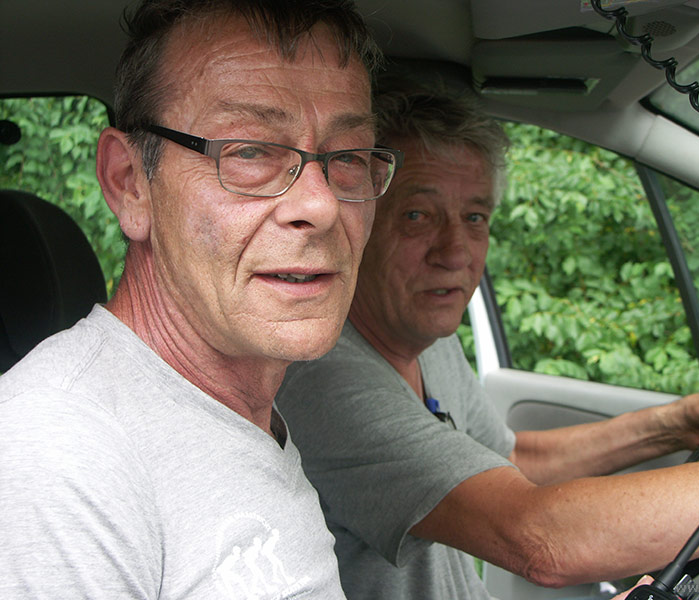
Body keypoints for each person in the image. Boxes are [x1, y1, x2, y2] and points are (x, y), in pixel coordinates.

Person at [275, 79, 699, 600]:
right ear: (358, 223)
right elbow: (538, 538)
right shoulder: (322, 376)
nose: (455, 252)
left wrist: (670, 427)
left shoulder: (429, 339)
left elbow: (509, 462)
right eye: (418, 215)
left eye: (475, 217)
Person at [0, 1, 402, 598]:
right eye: (249, 152)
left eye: (346, 158)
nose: (319, 207)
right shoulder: (59, 450)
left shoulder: (237, 417)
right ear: (130, 183)